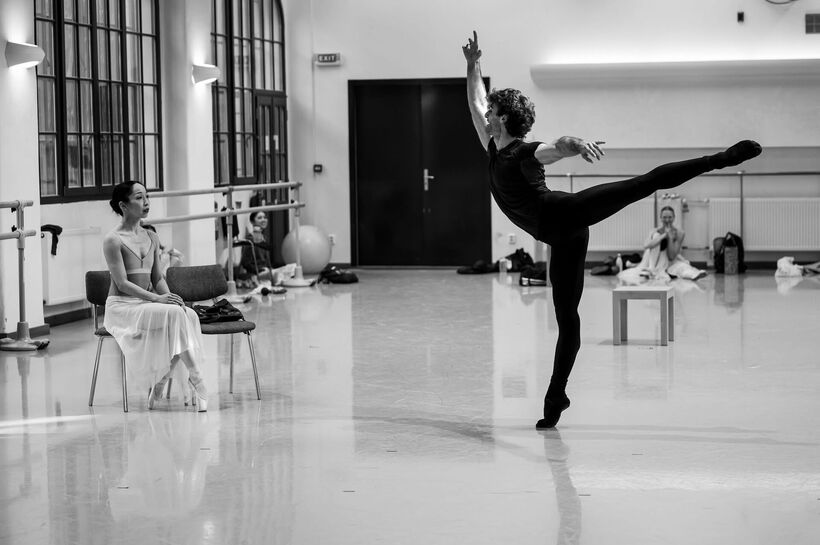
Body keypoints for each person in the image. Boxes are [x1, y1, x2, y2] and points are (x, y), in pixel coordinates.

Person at [462, 31, 761, 429]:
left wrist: (578, 143)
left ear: (503, 118)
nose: (487, 113)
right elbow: (475, 102)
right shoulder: (492, 145)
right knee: (567, 318)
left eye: (493, 109)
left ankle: (723, 158)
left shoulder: (523, 151)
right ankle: (557, 395)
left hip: (565, 214)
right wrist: (473, 66)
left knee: (643, 184)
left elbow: (557, 145)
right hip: (559, 237)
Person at [102, 181, 208, 411]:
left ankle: (161, 378)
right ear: (123, 205)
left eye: (147, 196)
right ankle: (198, 378)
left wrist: (172, 299)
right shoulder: (113, 240)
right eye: (139, 198)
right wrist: (158, 300)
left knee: (187, 314)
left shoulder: (152, 236)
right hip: (122, 307)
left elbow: (157, 278)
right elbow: (122, 283)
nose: (146, 202)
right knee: (178, 317)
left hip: (146, 303)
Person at [618, 206, 707, 284]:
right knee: (656, 236)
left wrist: (670, 238)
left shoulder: (679, 233)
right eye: (664, 217)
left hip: (668, 259)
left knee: (682, 267)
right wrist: (663, 235)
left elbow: (672, 256)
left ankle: (694, 275)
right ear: (660, 218)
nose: (667, 220)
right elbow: (646, 245)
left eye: (670, 217)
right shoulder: (654, 231)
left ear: (674, 217)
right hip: (652, 258)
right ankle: (650, 268)